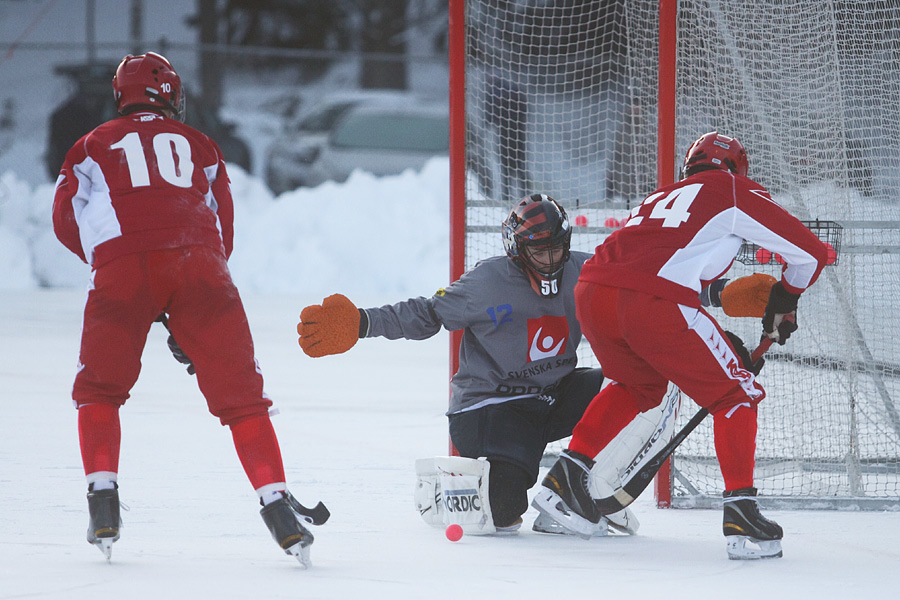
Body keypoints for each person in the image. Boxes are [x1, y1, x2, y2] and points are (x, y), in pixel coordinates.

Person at [52, 52, 327, 566]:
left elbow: (66, 221)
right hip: (199, 262)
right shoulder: (200, 143)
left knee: (98, 389)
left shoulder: (88, 145)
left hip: (121, 264)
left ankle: (102, 502)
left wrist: (114, 259)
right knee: (243, 399)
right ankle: (278, 508)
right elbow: (222, 225)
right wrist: (191, 293)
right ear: (168, 93)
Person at [532, 132, 829, 560]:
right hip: (652, 301)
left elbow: (676, 276)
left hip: (594, 293)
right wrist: (786, 296)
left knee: (639, 386)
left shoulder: (660, 198)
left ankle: (565, 481)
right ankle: (742, 516)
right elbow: (809, 253)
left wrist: (721, 333)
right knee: (736, 393)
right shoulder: (730, 188)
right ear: (736, 168)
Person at [297, 194, 624, 536]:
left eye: (556, 249)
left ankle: (595, 493)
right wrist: (363, 323)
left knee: (636, 389)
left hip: (552, 396)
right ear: (517, 249)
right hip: (491, 407)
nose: (549, 260)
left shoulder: (587, 273)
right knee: (504, 513)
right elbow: (427, 313)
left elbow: (631, 285)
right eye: (538, 252)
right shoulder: (487, 283)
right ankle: (448, 492)